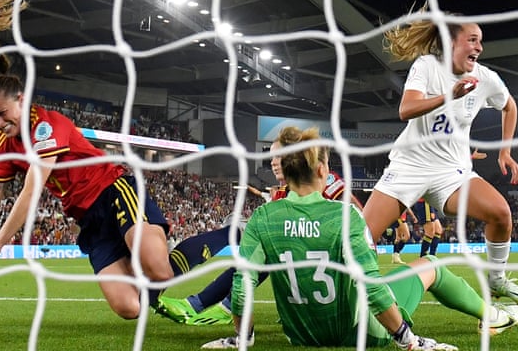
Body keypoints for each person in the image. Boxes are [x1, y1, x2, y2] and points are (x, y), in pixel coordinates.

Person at [0, 73, 234, 319]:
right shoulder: (3, 144)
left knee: (160, 270)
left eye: (2, 113)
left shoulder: (46, 125)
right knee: (130, 308)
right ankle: (148, 282)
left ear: (21, 100)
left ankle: (231, 233)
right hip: (89, 220)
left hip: (114, 192)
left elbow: (31, 190)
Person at [201, 126, 518, 349]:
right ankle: (492, 315)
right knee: (431, 264)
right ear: (321, 172)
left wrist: (242, 339)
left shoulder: (263, 217)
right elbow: (372, 287)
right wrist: (411, 342)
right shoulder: (345, 217)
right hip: (360, 333)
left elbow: (242, 286)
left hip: (300, 337)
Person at [361, 9, 518, 306]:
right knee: (362, 236)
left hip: (452, 173)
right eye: (472, 40)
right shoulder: (428, 66)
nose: (479, 47)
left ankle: (496, 282)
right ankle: (357, 297)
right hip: (410, 167)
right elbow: (406, 109)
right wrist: (449, 96)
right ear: (450, 42)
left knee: (501, 213)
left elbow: (510, 106)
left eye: (480, 41)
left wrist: (505, 150)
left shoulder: (485, 78)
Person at [157, 135, 366, 326]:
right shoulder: (282, 193)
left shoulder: (322, 179)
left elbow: (355, 211)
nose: (273, 161)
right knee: (247, 240)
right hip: (300, 257)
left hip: (329, 258)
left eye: (279, 155)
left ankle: (212, 304)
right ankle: (196, 298)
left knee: (261, 247)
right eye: (271, 156)